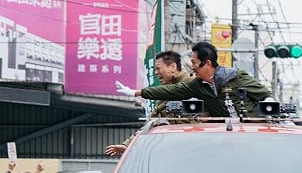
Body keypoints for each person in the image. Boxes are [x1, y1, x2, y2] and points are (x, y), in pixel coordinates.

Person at [115, 41, 273, 118]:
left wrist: (272, 111)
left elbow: (264, 95)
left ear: (207, 64)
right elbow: (170, 91)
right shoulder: (197, 86)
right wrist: (136, 92)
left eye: (194, 63)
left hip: (252, 129)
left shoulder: (236, 77)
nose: (192, 67)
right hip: (225, 134)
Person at [105, 50, 192, 157]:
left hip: (190, 148)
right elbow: (152, 122)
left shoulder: (191, 85)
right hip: (172, 148)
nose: (156, 72)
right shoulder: (164, 93)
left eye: (158, 68)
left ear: (173, 67)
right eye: (155, 69)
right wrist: (128, 144)